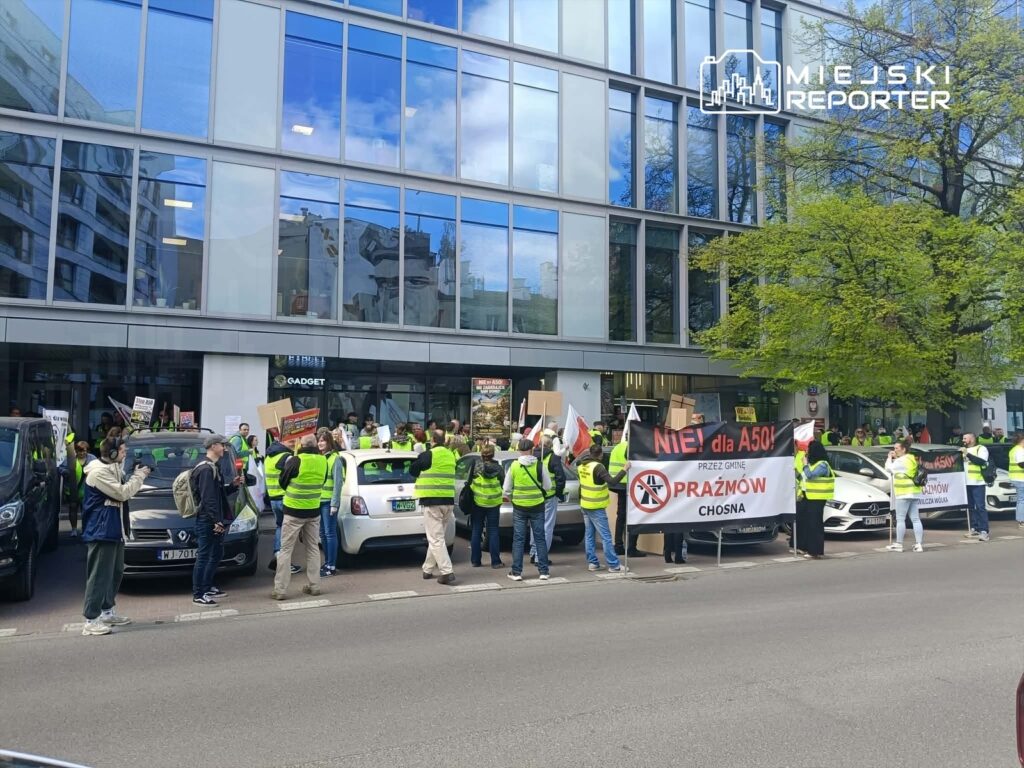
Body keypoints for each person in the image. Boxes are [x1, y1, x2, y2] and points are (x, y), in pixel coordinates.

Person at [79, 437, 150, 636]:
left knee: (116, 571)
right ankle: (91, 619)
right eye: (122, 451)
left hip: (114, 527)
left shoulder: (113, 467)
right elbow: (122, 493)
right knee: (99, 575)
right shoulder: (99, 473)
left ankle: (107, 611)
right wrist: (139, 475)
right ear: (111, 454)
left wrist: (134, 471)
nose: (125, 453)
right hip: (102, 529)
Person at [273, 434, 327, 600]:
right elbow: (323, 481)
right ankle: (315, 585)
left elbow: (283, 482)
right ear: (315, 445)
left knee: (286, 550)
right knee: (312, 548)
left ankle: (280, 590)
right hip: (313, 510)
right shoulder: (323, 460)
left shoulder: (295, 460)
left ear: (300, 444)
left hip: (294, 511)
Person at [191, 435, 241, 605]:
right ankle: (198, 593)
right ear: (213, 446)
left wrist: (232, 486)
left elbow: (217, 495)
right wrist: (216, 521)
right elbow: (208, 499)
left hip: (212, 518)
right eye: (222, 446)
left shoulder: (213, 467)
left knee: (216, 553)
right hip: (208, 520)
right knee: (204, 555)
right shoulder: (205, 469)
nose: (225, 449)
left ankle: (207, 586)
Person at [410, 429, 457, 584]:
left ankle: (447, 571)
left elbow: (413, 470)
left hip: (432, 502)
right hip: (448, 501)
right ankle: (427, 569)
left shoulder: (429, 454)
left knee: (435, 539)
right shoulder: (450, 454)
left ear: (432, 440)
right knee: (437, 537)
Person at [504, 438, 552, 581]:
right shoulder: (539, 465)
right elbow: (548, 486)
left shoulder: (514, 466)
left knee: (518, 539)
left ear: (519, 450)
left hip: (519, 507)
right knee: (540, 538)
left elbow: (506, 489)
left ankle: (516, 572)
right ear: (532, 450)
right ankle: (543, 571)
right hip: (537, 505)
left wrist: (513, 498)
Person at [575, 443, 626, 573]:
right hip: (596, 506)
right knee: (606, 536)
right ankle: (614, 565)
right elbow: (612, 481)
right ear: (600, 455)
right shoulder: (598, 467)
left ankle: (593, 563)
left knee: (589, 534)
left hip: (585, 504)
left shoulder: (581, 465)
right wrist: (624, 469)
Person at [265, 436, 301, 575]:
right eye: (290, 441)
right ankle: (284, 562)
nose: (293, 443)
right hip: (285, 498)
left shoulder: (269, 456)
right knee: (289, 533)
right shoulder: (286, 456)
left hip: (273, 498)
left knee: (280, 527)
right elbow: (293, 475)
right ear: (281, 441)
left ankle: (278, 555)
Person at [529, 436, 565, 565]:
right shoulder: (554, 458)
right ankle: (540, 557)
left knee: (535, 526)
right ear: (550, 446)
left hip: (535, 497)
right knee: (547, 526)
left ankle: (533, 553)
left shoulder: (532, 457)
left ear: (539, 444)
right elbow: (561, 477)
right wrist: (558, 493)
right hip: (549, 496)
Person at [467, 444, 504, 569]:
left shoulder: (476, 466)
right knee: (493, 531)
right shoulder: (498, 468)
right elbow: (503, 483)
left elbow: (469, 482)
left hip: (478, 502)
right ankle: (496, 562)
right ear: (493, 454)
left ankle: (475, 561)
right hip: (494, 503)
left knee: (476, 530)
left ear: (481, 454)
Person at [884, 438, 924, 553]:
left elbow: (888, 468)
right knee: (915, 519)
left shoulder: (900, 461)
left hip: (903, 493)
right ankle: (918, 544)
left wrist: (889, 457)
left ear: (904, 449)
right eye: (894, 448)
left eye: (897, 448)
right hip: (914, 492)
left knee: (900, 519)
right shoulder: (911, 458)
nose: (894, 450)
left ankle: (899, 544)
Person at [798, 441, 833, 559]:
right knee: (809, 523)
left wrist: (805, 465)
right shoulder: (814, 463)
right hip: (809, 497)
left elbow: (810, 475)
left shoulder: (822, 465)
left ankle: (815, 551)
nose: (807, 451)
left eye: (809, 448)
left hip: (817, 499)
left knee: (815, 524)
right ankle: (808, 548)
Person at [610, 439, 644, 557]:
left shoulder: (618, 446)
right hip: (628, 484)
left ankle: (618, 546)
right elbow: (632, 461)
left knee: (621, 516)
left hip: (618, 484)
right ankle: (631, 548)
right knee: (634, 515)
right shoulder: (630, 446)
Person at [318, 430, 342, 578]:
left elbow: (338, 483)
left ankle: (331, 565)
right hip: (319, 501)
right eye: (319, 440)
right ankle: (326, 562)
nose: (320, 443)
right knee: (322, 534)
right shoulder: (320, 458)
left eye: (323, 440)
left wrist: (335, 503)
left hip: (328, 502)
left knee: (330, 533)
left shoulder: (335, 459)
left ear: (329, 442)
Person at [961, 433, 990, 541]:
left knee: (980, 507)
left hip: (978, 482)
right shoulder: (963, 450)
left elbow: (981, 461)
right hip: (966, 482)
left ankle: (984, 531)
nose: (963, 439)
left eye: (965, 438)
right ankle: (974, 528)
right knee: (970, 507)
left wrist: (967, 454)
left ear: (972, 439)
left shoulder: (981, 448)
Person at [1009, 432, 1024, 530]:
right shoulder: (1020, 450)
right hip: (1021, 478)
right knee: (1021, 500)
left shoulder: (1013, 450)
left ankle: (1021, 520)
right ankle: (1021, 521)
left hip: (1016, 477)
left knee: (1021, 500)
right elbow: (1021, 463)